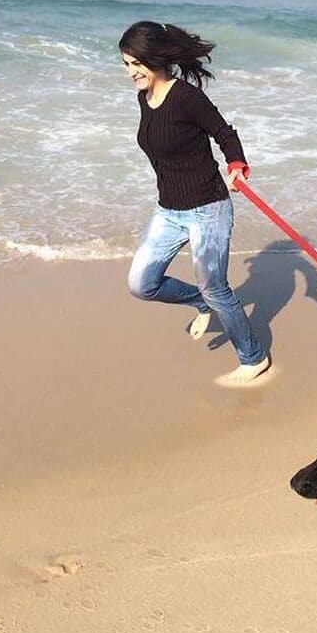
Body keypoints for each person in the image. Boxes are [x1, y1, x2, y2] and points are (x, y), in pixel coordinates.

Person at [120, 21, 269, 386]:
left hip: (208, 208)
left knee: (216, 287)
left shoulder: (186, 97)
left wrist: (236, 165)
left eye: (137, 63)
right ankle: (200, 302)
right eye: (126, 64)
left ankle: (254, 357)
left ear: (155, 58)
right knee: (142, 284)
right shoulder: (145, 98)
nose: (131, 72)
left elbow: (224, 132)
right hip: (169, 210)